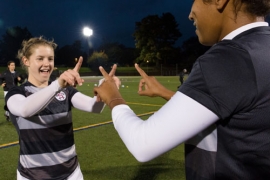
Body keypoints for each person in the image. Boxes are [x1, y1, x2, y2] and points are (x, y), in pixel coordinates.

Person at [94, 0, 270, 179]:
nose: (190, 14)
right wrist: (166, 93)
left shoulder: (229, 57)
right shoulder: (262, 47)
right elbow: (238, 110)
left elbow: (143, 144)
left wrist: (113, 96)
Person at [5, 37, 120, 180]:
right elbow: (24, 109)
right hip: (31, 176)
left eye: (50, 59)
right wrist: (57, 85)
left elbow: (94, 107)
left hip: (71, 174)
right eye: (40, 58)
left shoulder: (65, 91)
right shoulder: (16, 93)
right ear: (26, 61)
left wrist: (106, 88)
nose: (47, 64)